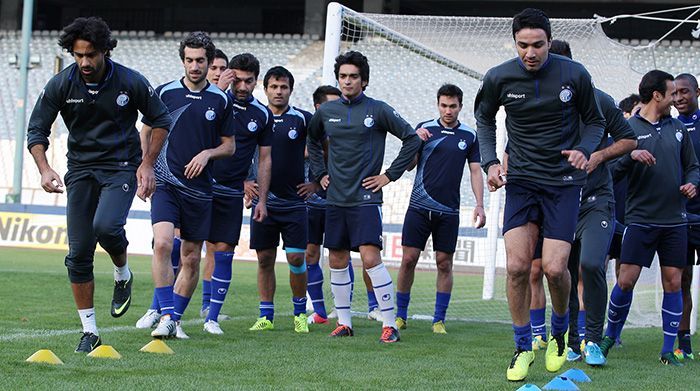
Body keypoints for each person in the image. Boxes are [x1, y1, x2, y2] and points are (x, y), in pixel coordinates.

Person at [26, 16, 171, 352]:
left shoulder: (130, 81)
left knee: (106, 226)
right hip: (80, 170)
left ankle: (123, 273)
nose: (85, 62)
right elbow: (37, 130)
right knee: (78, 254)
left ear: (105, 51)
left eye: (91, 54)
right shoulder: (61, 84)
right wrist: (45, 168)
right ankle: (89, 331)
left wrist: (147, 164)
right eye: (78, 55)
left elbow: (160, 118)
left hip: (120, 167)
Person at [475, 8, 605, 381]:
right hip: (521, 182)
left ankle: (560, 333)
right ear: (514, 42)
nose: (530, 53)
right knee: (517, 267)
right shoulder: (499, 76)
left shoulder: (573, 74)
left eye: (538, 45)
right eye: (523, 45)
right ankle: (521, 346)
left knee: (553, 268)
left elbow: (595, 120)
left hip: (563, 184)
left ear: (549, 41)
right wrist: (490, 163)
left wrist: (584, 148)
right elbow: (484, 118)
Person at [307, 50, 421, 343]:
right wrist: (320, 175)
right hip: (335, 199)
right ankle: (344, 322)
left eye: (353, 76)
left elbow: (411, 139)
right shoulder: (325, 113)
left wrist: (388, 176)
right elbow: (312, 140)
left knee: (371, 258)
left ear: (364, 80)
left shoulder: (378, 110)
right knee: (336, 258)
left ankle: (388, 323)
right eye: (343, 76)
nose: (347, 81)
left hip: (366, 199)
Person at [546, 40, 637, 367]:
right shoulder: (540, 103)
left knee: (592, 265)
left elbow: (629, 139)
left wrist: (599, 155)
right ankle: (571, 341)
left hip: (597, 201)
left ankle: (594, 341)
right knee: (561, 272)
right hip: (559, 200)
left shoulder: (598, 100)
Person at [602, 70, 699, 367]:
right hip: (641, 219)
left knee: (673, 282)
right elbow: (610, 172)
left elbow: (692, 166)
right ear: (657, 95)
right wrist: (629, 157)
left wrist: (693, 183)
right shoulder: (628, 129)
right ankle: (609, 337)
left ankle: (669, 349)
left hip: (675, 221)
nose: (675, 98)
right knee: (626, 281)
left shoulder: (678, 130)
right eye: (671, 93)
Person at [145, 32, 235, 338]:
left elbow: (230, 146)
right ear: (182, 60)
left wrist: (208, 153)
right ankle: (166, 314)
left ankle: (176, 319)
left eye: (200, 60)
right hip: (166, 183)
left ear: (210, 62)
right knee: (163, 244)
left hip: (200, 189)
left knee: (192, 257)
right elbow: (145, 131)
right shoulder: (165, 93)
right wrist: (144, 167)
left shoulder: (221, 100)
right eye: (189, 60)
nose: (194, 66)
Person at [395, 84, 486, 334]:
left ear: (460, 106)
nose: (448, 110)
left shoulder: (469, 135)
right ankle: (400, 315)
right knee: (408, 259)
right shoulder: (425, 129)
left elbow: (475, 170)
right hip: (419, 207)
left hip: (448, 211)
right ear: (438, 105)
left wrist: (480, 204)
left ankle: (438, 319)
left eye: (453, 106)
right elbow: (410, 167)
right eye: (444, 105)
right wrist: (415, 142)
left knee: (444, 263)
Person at [203, 53, 273, 333]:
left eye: (249, 81)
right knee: (184, 248)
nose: (242, 87)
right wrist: (219, 89)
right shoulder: (216, 100)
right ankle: (162, 309)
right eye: (238, 80)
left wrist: (261, 199)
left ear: (257, 81)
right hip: (202, 186)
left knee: (224, 252)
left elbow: (265, 159)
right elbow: (198, 126)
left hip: (232, 192)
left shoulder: (262, 114)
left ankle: (212, 316)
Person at [246, 66, 312, 333]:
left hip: (295, 203)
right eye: (274, 87)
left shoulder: (303, 119)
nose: (278, 92)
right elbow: (239, 153)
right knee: (264, 259)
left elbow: (324, 150)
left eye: (283, 87)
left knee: (296, 258)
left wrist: (317, 181)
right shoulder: (256, 118)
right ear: (265, 89)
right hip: (265, 203)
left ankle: (299, 313)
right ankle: (266, 315)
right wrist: (244, 181)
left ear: (291, 90)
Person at [303, 85, 342, 324]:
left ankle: (343, 307)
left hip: (339, 202)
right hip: (310, 203)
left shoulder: (345, 129)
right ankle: (319, 311)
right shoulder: (306, 126)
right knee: (310, 254)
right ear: (318, 107)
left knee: (341, 254)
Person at [672, 73, 700, 361]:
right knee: (682, 280)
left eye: (685, 92)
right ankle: (684, 342)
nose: (679, 97)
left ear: (697, 92)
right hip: (679, 217)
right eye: (675, 92)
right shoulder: (669, 128)